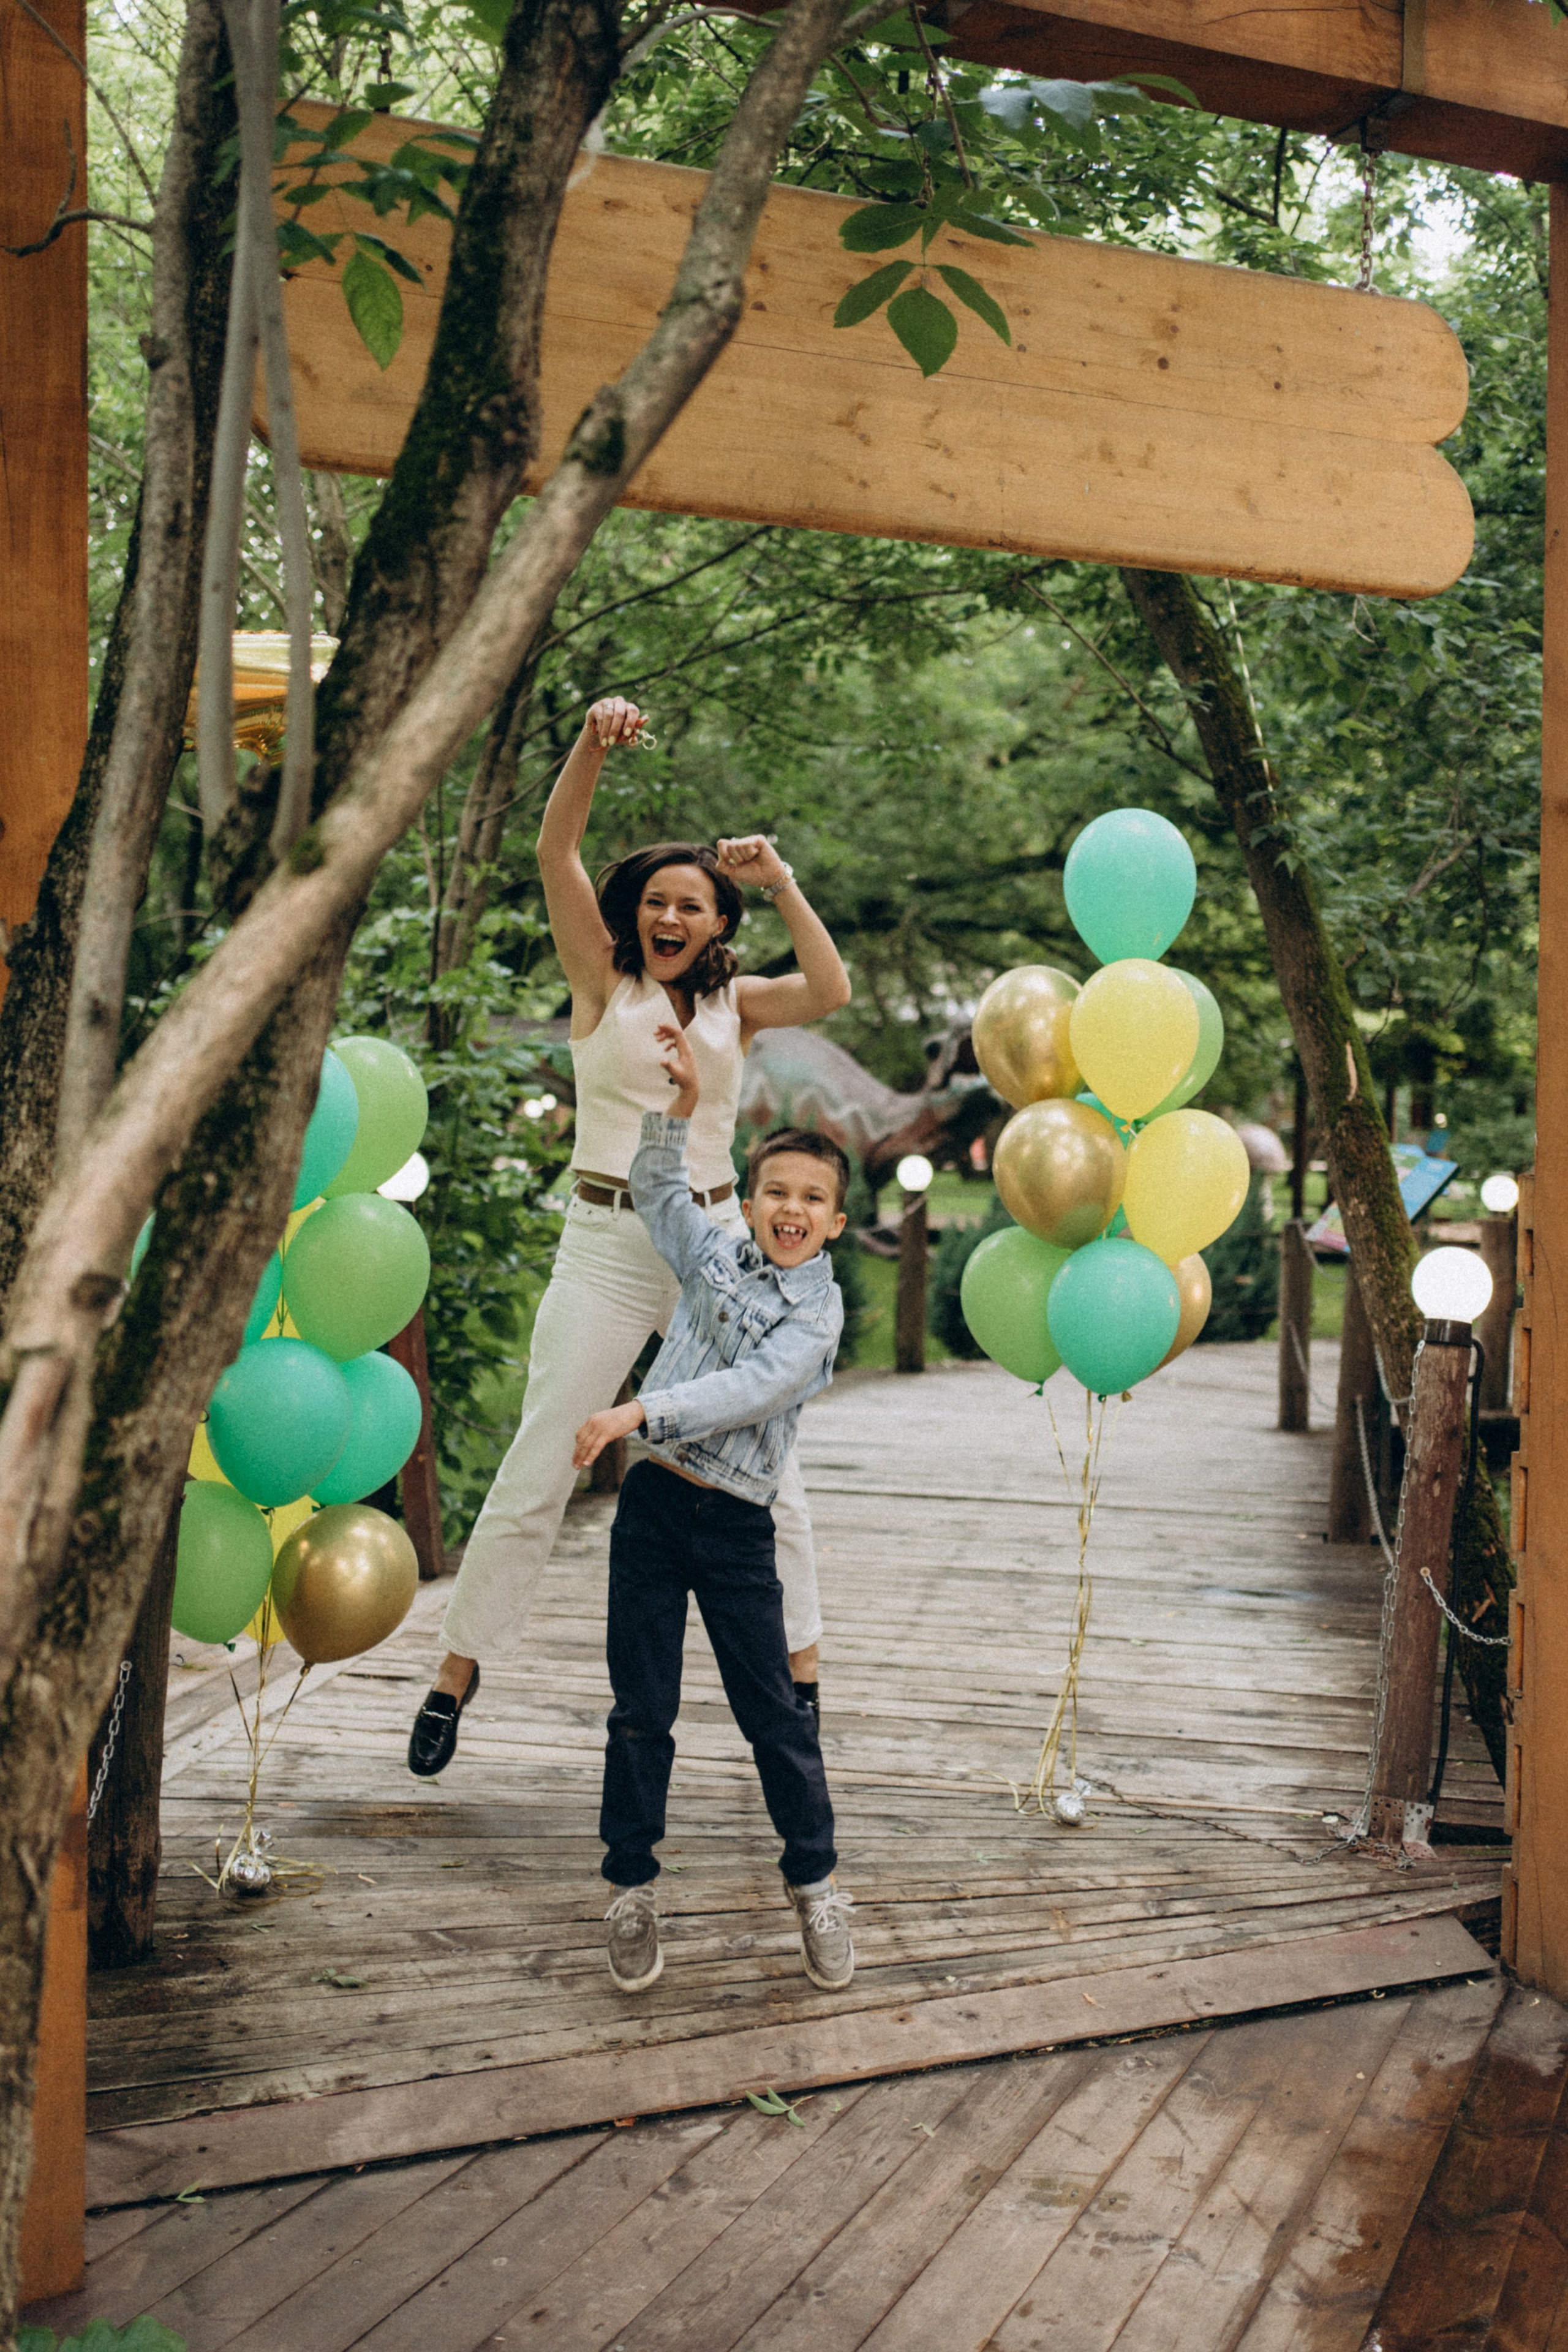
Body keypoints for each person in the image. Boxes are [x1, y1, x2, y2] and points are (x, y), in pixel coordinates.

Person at [408, 694, 852, 1777]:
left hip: (717, 1248)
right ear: (635, 915)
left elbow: (833, 989)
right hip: (607, 1243)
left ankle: (801, 1681)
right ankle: (454, 1674)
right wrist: (591, 743)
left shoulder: (738, 1005)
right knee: (542, 1457)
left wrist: (780, 879)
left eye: (692, 905)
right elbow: (555, 847)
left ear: (717, 924)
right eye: (656, 901)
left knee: (775, 1474)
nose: (670, 916)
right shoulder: (600, 981)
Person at [573, 1020, 853, 1994]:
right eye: (777, 1191)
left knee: (773, 1714)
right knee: (640, 1711)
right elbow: (658, 1195)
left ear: (834, 1223)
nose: (791, 1209)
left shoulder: (817, 1319)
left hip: (735, 1526)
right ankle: (631, 1886)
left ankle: (815, 1882)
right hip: (653, 1509)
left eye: (812, 1199)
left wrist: (640, 1410)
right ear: (755, 1198)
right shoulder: (721, 1255)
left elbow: (750, 1390)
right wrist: (682, 1110)